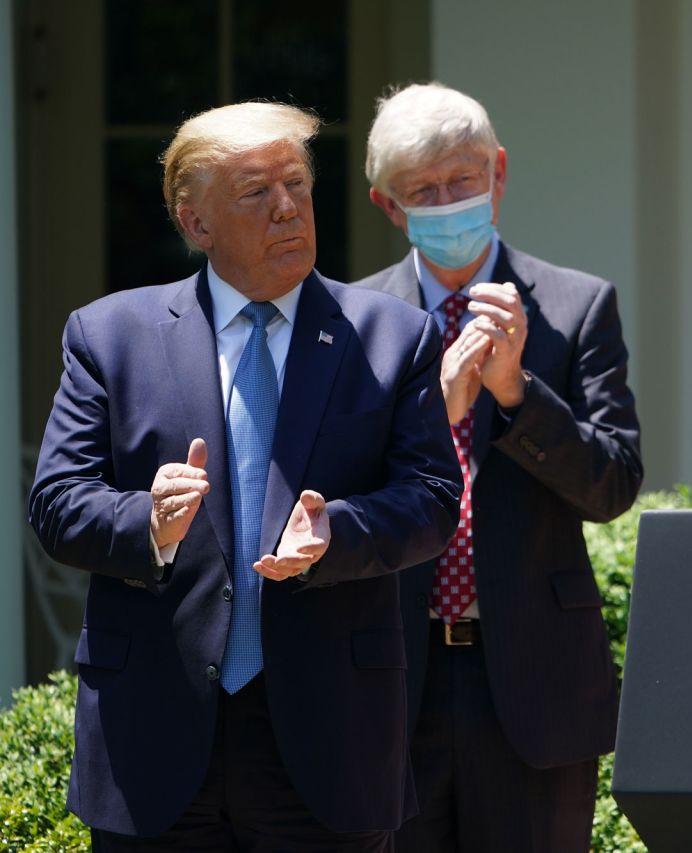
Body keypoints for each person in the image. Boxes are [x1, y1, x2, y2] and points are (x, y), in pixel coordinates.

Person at [28, 102, 461, 851]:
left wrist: (338, 531)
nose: (288, 207)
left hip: (329, 742)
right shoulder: (109, 336)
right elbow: (58, 502)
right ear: (196, 224)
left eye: (296, 182)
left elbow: (431, 499)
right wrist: (148, 523)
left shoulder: (393, 335)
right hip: (155, 740)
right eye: (256, 192)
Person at [353, 82, 643, 852]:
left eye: (464, 180)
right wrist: (433, 417)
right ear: (389, 205)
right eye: (425, 191)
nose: (449, 202)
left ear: (500, 173)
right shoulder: (353, 323)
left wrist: (517, 393)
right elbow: (331, 497)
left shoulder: (576, 307)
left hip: (532, 682)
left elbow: (613, 483)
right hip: (394, 681)